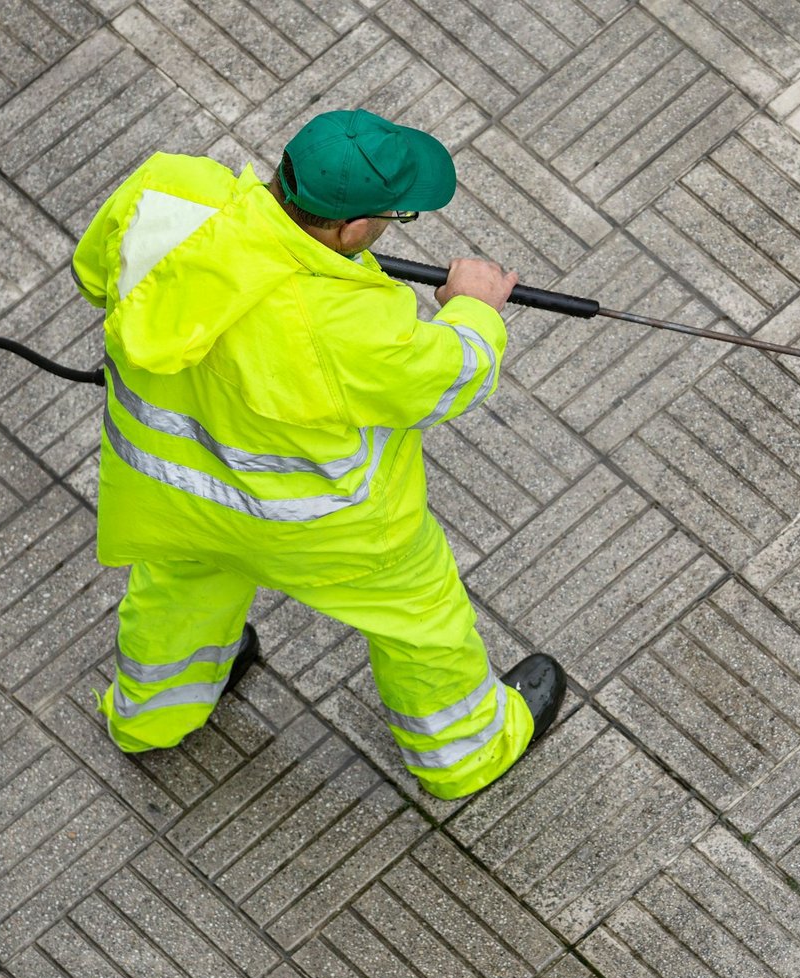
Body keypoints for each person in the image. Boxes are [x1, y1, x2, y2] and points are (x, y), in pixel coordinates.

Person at [69, 109, 565, 800]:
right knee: (421, 618)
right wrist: (475, 309)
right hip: (326, 535)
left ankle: (148, 720)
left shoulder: (168, 189)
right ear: (356, 229)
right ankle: (466, 754)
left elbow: (95, 276)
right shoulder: (354, 325)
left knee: (178, 597)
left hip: (171, 499)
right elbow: (449, 379)